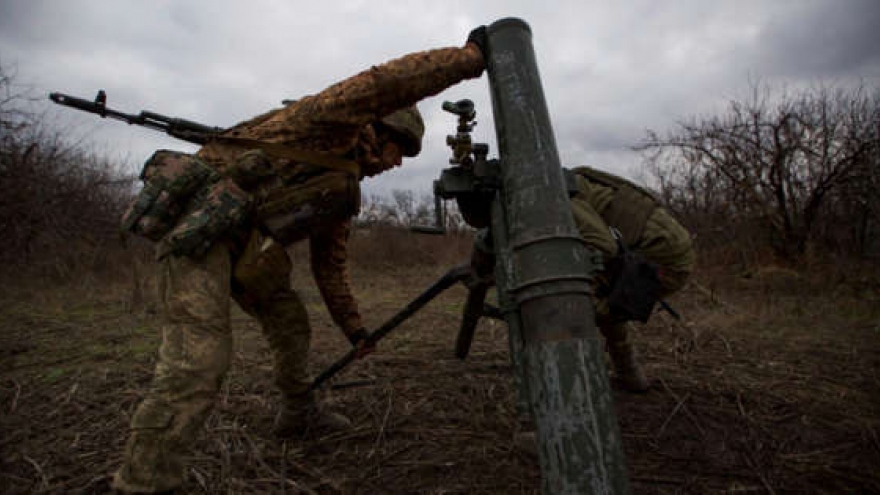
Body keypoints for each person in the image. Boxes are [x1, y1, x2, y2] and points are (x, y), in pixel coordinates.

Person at [111, 29, 489, 494]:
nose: (396, 163)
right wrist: (468, 60)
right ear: (381, 129)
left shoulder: (342, 188)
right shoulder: (324, 122)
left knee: (292, 324)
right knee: (198, 361)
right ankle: (143, 482)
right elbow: (382, 83)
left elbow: (329, 267)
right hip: (200, 233)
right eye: (400, 149)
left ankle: (299, 412)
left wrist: (355, 331)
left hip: (247, 248)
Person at [568, 165, 695, 392]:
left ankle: (583, 378)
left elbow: (604, 247)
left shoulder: (559, 193)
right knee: (603, 293)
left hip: (664, 261)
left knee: (585, 300)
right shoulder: (572, 178)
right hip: (668, 247)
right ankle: (628, 373)